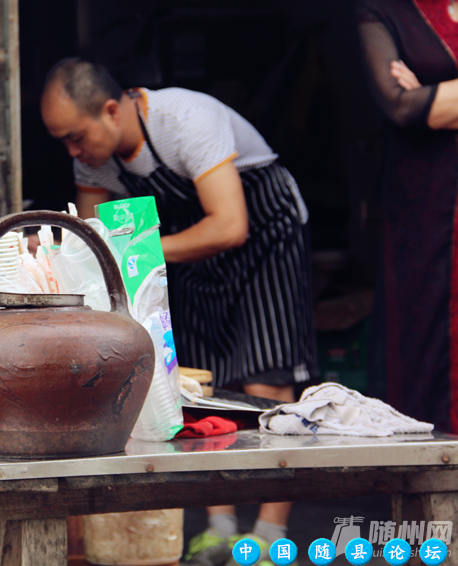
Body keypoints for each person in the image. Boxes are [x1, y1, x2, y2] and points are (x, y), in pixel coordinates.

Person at [40, 58, 317, 566]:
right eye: (65, 143)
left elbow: (230, 225)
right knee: (200, 386)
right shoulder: (93, 161)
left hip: (261, 237)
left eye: (76, 137)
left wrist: (144, 252)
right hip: (187, 247)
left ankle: (268, 534)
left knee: (265, 383)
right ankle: (219, 529)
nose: (74, 153)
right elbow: (95, 243)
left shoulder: (186, 119)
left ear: (109, 109)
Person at [356, 0, 458, 433]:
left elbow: (423, 104)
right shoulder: (384, 10)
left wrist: (436, 97)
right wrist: (421, 104)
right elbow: (400, 104)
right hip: (427, 206)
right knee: (424, 337)